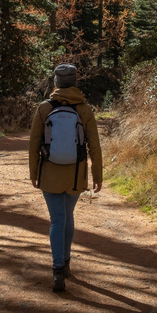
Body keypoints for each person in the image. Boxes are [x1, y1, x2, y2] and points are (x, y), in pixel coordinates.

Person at [29, 63, 103, 292]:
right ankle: (66, 264)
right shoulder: (85, 109)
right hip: (75, 173)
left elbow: (33, 144)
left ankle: (57, 271)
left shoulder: (44, 107)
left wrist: (34, 173)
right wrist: (97, 174)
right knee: (68, 216)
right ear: (75, 81)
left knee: (57, 219)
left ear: (56, 82)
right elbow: (94, 145)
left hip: (49, 173)